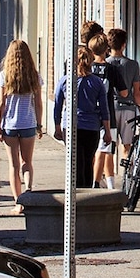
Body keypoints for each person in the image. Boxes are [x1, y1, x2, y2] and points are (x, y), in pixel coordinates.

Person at [53, 46, 112, 188]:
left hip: (71, 126)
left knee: (75, 162)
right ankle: (86, 192)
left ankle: (75, 193)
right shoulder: (97, 82)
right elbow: (104, 109)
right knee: (87, 161)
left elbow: (58, 105)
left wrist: (57, 127)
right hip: (91, 127)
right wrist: (108, 132)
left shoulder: (65, 81)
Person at [0, 39, 44, 215]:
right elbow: (38, 103)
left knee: (13, 165)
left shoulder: (4, 76)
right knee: (27, 162)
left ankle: (18, 202)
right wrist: (39, 124)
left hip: (10, 124)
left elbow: (2, 103)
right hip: (28, 123)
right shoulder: (34, 75)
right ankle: (29, 193)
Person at [88, 32, 128, 189]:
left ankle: (99, 181)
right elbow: (123, 92)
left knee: (93, 150)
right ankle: (96, 182)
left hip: (90, 116)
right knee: (104, 151)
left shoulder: (88, 68)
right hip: (107, 115)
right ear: (107, 49)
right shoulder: (111, 69)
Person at [106, 28, 140, 166]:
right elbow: (137, 92)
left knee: (109, 148)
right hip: (128, 109)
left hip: (110, 109)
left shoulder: (105, 64)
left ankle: (108, 179)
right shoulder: (133, 64)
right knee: (127, 146)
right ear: (124, 45)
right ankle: (128, 179)